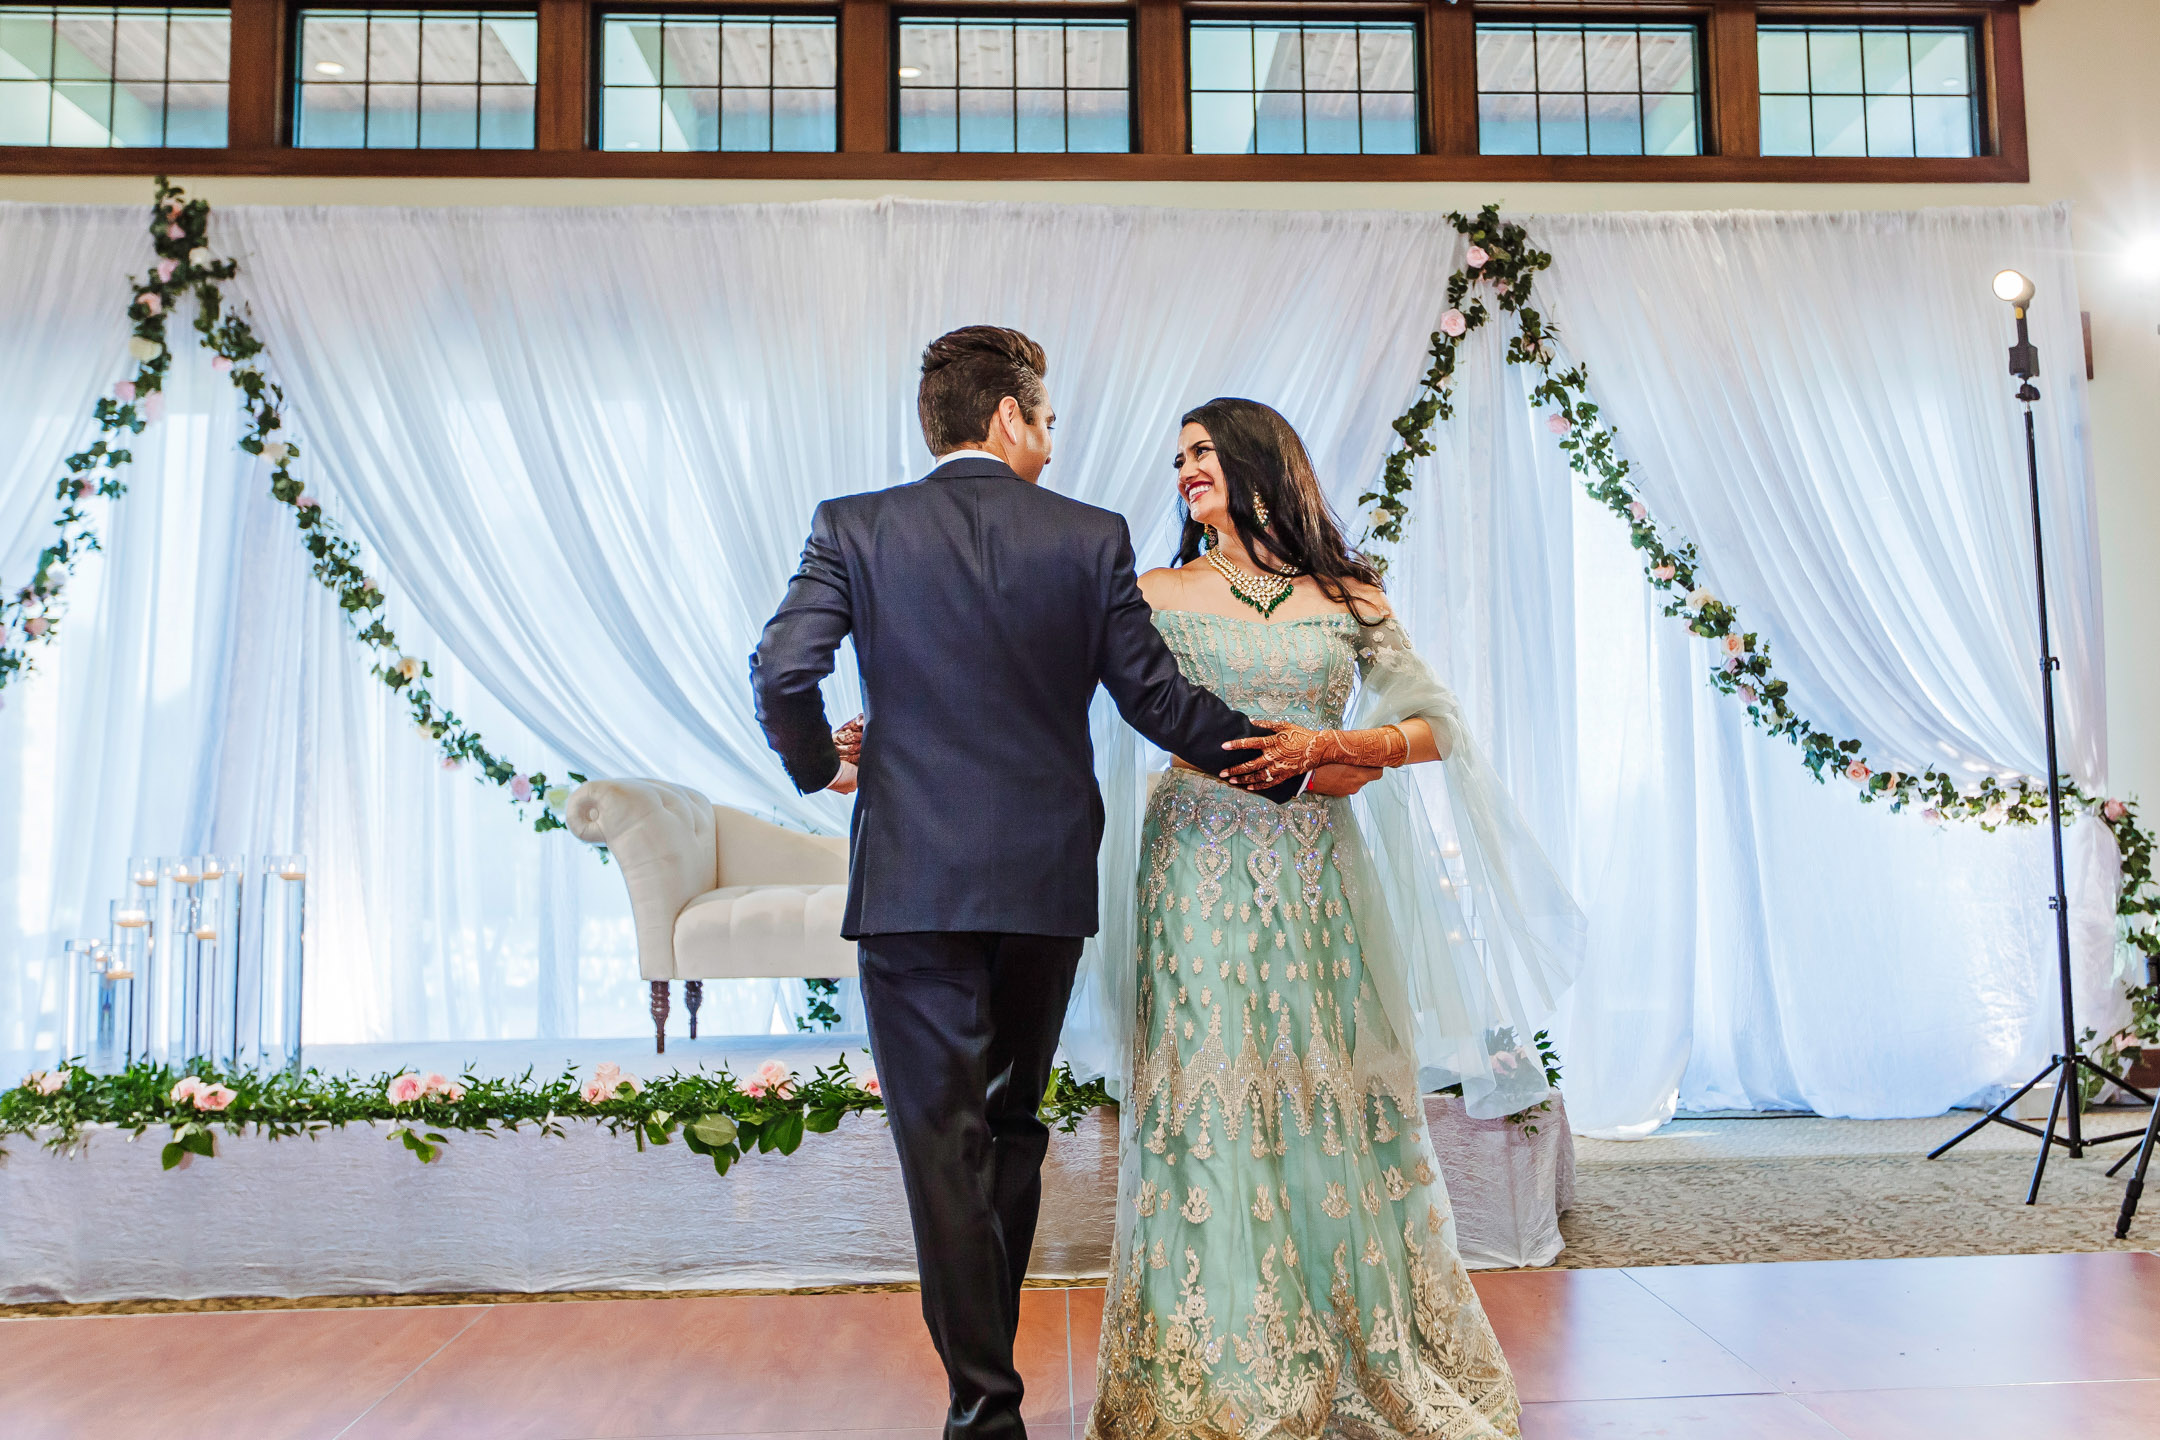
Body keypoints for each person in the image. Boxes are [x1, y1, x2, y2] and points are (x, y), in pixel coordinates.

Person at [749, 329, 1317, 1440]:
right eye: (1047, 421)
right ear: (1009, 416)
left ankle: (985, 1406)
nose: (1054, 445)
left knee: (939, 1142)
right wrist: (1288, 759)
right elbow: (1158, 703)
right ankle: (986, 1396)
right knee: (1008, 1128)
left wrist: (824, 765)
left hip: (912, 884)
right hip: (1044, 884)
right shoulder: (1089, 538)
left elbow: (782, 670)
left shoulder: (852, 528)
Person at [1067, 398, 1587, 1440]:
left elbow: (1435, 726)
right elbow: (1057, 700)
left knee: (1325, 1089)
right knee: (1213, 1086)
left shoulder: (1351, 596)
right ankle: (1212, 1371)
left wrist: (1340, 750)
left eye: (1203, 454)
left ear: (1261, 462)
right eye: (1177, 461)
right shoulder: (1153, 592)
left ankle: (1357, 1341)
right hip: (1197, 869)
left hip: (1314, 872)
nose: (1184, 474)